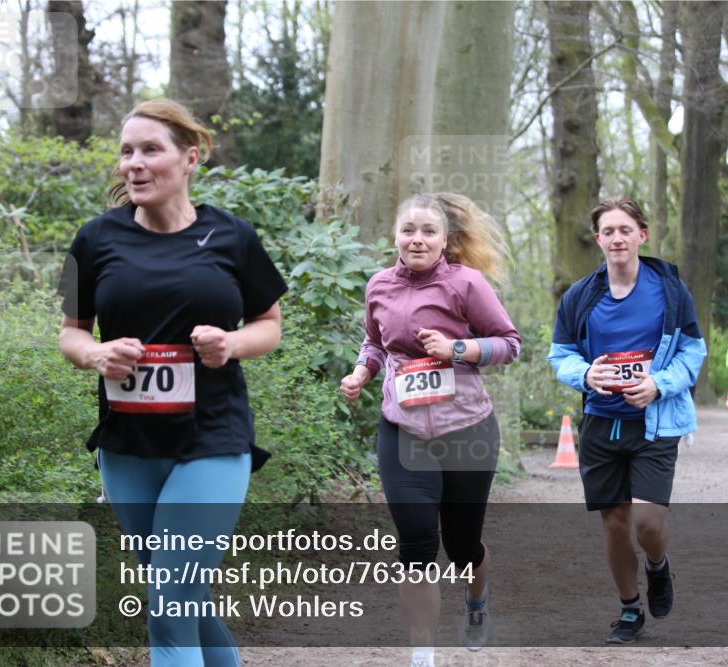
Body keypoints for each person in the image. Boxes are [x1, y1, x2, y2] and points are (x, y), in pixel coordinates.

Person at [58, 99, 287, 666]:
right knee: (182, 596)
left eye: (150, 150)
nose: (133, 163)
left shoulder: (234, 236)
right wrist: (95, 355)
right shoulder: (92, 239)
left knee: (168, 600)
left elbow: (270, 326)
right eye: (126, 151)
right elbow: (70, 333)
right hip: (127, 446)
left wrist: (231, 344)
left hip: (213, 436)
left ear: (190, 158)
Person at [340, 193, 520, 666]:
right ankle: (423, 656)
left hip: (468, 430)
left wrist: (456, 350)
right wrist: (361, 372)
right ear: (394, 236)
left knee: (461, 546)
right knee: (417, 542)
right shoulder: (379, 284)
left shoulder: (466, 283)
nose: (416, 239)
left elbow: (509, 344)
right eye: (408, 230)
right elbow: (374, 343)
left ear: (444, 240)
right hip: (404, 430)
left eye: (427, 231)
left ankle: (476, 601)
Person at [547, 195, 706, 644]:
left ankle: (658, 566)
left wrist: (660, 384)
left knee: (648, 523)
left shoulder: (670, 289)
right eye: (608, 231)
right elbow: (560, 355)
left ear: (642, 234)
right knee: (615, 523)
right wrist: (585, 374)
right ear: (598, 240)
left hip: (653, 423)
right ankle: (630, 609)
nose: (617, 238)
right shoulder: (581, 295)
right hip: (601, 423)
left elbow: (694, 350)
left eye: (625, 229)